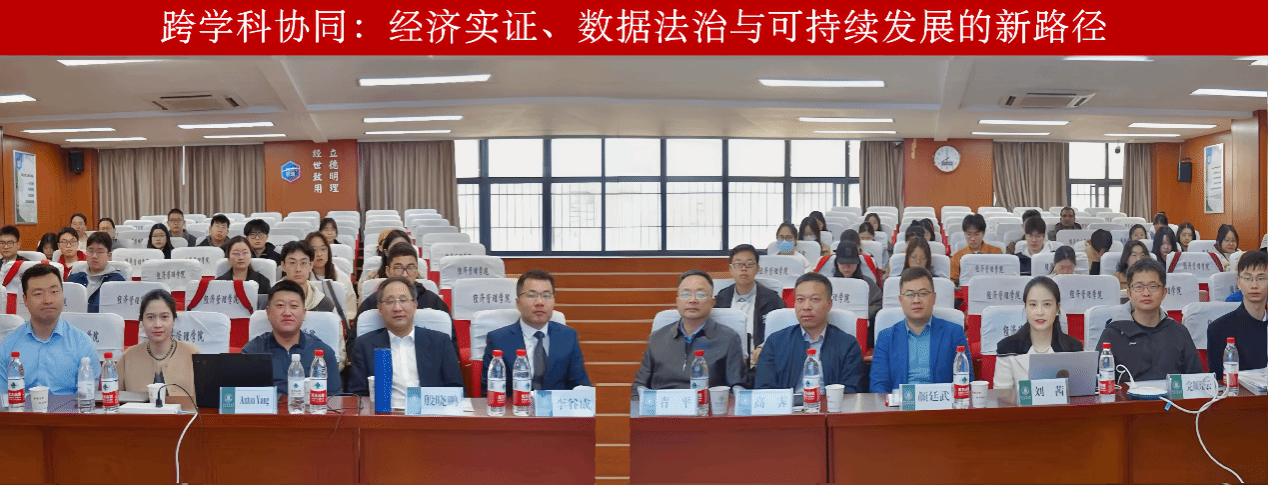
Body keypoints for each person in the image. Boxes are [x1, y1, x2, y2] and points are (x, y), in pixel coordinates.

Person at [347, 277, 464, 405]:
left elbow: (456, 390)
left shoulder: (440, 342)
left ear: (414, 305)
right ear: (379, 308)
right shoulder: (364, 345)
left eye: (403, 300)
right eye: (390, 301)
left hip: (431, 414)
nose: (397, 308)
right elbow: (357, 396)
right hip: (384, 415)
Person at [630, 270, 747, 397]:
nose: (692, 300)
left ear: (712, 302)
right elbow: (639, 387)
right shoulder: (657, 338)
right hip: (663, 406)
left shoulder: (729, 339)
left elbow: (736, 389)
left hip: (707, 407)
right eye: (685, 294)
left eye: (701, 294)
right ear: (677, 301)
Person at [480, 270, 590, 396]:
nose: (540, 302)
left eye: (546, 296)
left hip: (556, 408)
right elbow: (489, 392)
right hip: (515, 407)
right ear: (518, 303)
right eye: (531, 295)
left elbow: (580, 387)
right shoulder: (498, 339)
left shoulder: (568, 337)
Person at [756, 272, 865, 392]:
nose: (806, 307)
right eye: (800, 299)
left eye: (815, 299)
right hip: (787, 404)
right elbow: (763, 390)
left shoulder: (848, 344)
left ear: (829, 304)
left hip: (831, 404)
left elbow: (852, 391)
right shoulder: (775, 342)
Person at [0, 264, 98, 395]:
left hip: (69, 409)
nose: (48, 300)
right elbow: (3, 399)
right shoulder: (8, 346)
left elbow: (88, 399)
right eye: (38, 294)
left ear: (62, 295)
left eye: (54, 292)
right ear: (25, 300)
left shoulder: (82, 344)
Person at [1097, 259, 1202, 381]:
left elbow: (1196, 380)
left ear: (1164, 292)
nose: (1146, 293)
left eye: (1153, 287)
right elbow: (1099, 383)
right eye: (1139, 287)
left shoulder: (1179, 332)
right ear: (1129, 293)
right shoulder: (1113, 333)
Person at [869, 267, 970, 393]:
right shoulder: (886, 338)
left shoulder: (954, 333)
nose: (916, 300)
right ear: (900, 300)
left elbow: (966, 380)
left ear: (934, 298)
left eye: (923, 293)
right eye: (909, 294)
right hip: (901, 404)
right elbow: (878, 386)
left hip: (940, 403)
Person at [243, 281, 342, 396]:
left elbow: (335, 400)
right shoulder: (252, 351)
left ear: (304, 313)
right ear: (268, 313)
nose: (287, 313)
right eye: (280, 305)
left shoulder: (323, 353)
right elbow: (244, 397)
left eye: (294, 306)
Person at [993, 276, 1084, 389]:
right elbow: (1002, 397)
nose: (1039, 312)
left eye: (1047, 304)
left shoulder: (1073, 348)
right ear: (1025, 308)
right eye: (1033, 305)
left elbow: (1081, 395)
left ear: (1057, 308)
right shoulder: (1007, 348)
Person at [117, 289, 200, 399]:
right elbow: (114, 402)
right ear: (142, 321)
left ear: (173, 319)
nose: (157, 324)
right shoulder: (127, 357)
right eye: (150, 317)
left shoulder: (193, 354)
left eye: (164, 317)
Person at [1205, 250, 1267, 382]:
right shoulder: (1218, 329)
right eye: (1248, 278)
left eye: (1261, 278)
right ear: (1238, 282)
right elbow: (1219, 384)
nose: (1254, 285)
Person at [715, 244, 785, 354]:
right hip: (727, 359)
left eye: (749, 264)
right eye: (738, 264)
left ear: (757, 269)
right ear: (731, 269)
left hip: (760, 358)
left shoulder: (772, 299)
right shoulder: (720, 300)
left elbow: (783, 331)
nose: (743, 268)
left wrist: (764, 348)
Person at [357, 242, 449, 316]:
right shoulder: (372, 302)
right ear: (388, 271)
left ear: (416, 271)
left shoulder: (433, 302)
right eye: (398, 268)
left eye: (410, 268)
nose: (405, 274)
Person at [66, 232, 128, 312]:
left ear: (109, 256)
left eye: (100, 252)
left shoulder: (117, 281)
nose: (94, 256)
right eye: (91, 251)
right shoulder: (74, 278)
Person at [306, 232, 357, 318]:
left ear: (328, 251)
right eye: (313, 250)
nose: (319, 254)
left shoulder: (341, 277)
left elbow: (350, 311)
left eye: (323, 249)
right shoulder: (301, 276)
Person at [833, 239, 882, 326]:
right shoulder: (828, 283)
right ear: (837, 263)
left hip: (860, 325)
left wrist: (863, 313)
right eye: (843, 262)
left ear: (858, 263)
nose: (847, 267)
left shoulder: (867, 283)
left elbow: (879, 303)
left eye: (851, 262)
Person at [950, 214, 1001, 285]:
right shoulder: (957, 257)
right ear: (964, 234)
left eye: (976, 234)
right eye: (969, 234)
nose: (972, 238)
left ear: (983, 233)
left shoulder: (996, 252)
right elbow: (952, 281)